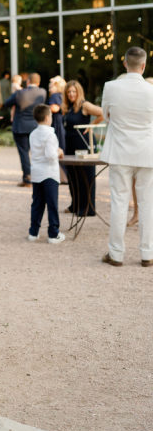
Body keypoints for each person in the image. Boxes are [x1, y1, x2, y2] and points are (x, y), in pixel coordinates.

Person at [99, 47, 153, 267]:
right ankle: (147, 254)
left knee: (119, 203)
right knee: (148, 204)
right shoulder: (151, 90)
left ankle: (116, 254)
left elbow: (105, 115)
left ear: (124, 63)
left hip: (120, 151)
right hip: (147, 152)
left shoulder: (111, 87)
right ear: (143, 65)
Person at [62, 80, 103, 217]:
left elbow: (102, 113)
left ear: (79, 92)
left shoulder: (84, 105)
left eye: (74, 91)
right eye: (69, 92)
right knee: (72, 176)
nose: (71, 94)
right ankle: (75, 204)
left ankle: (88, 208)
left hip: (83, 144)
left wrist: (90, 126)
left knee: (85, 176)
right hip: (70, 144)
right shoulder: (68, 107)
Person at [27, 104, 65, 244]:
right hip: (49, 174)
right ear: (48, 117)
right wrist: (59, 152)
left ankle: (33, 232)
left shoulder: (33, 134)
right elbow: (50, 155)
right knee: (52, 204)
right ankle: (53, 233)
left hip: (36, 173)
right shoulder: (50, 134)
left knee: (37, 203)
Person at [3, 73, 47, 186]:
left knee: (24, 153)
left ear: (27, 82)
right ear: (38, 82)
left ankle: (27, 178)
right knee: (37, 152)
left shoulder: (19, 93)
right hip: (36, 126)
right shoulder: (43, 92)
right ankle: (39, 177)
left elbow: (6, 103)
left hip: (20, 127)